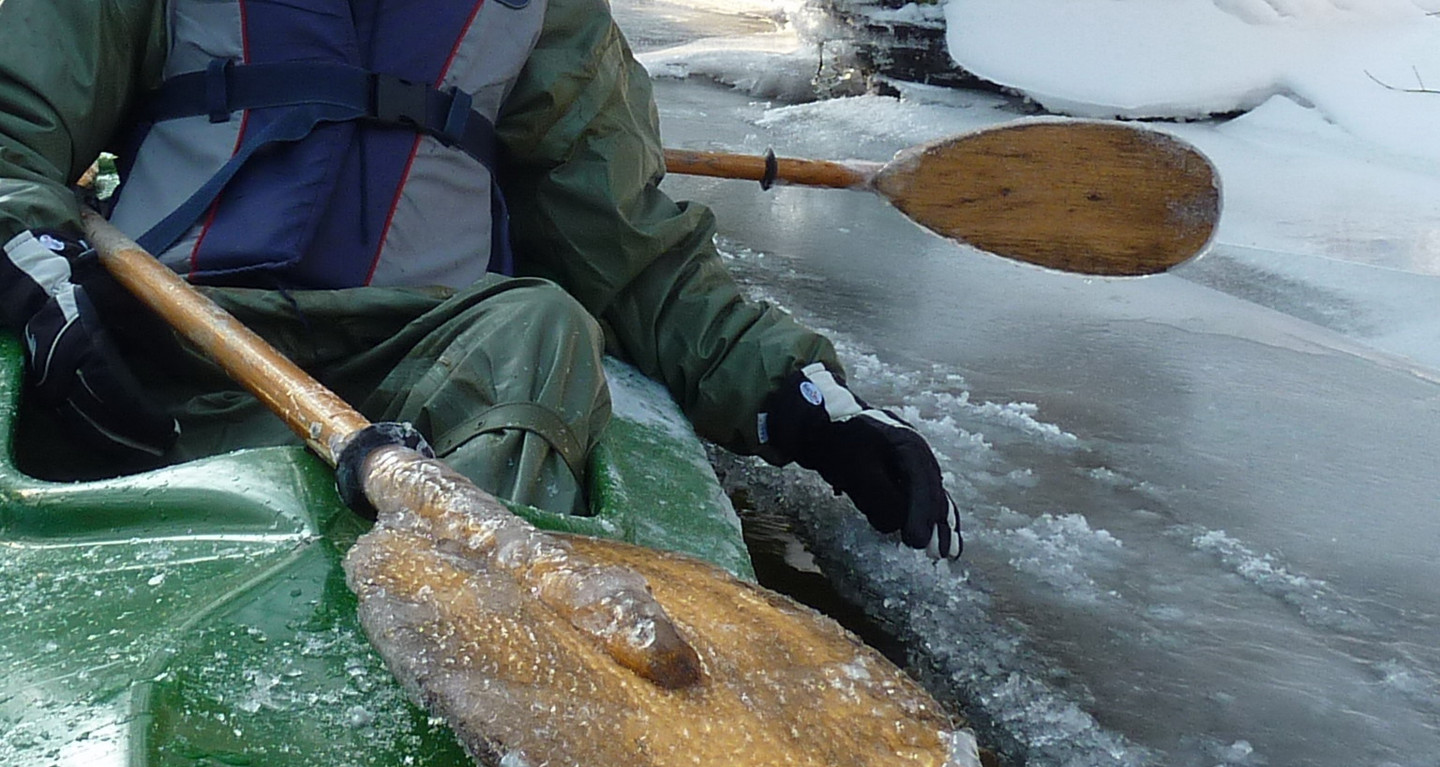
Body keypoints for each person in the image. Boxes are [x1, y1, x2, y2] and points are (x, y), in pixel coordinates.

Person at [0, 0, 962, 558]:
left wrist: (799, 399)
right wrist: (38, 278)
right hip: (176, 336)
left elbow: (627, 251)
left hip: (425, 356)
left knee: (542, 326)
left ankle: (451, 610)